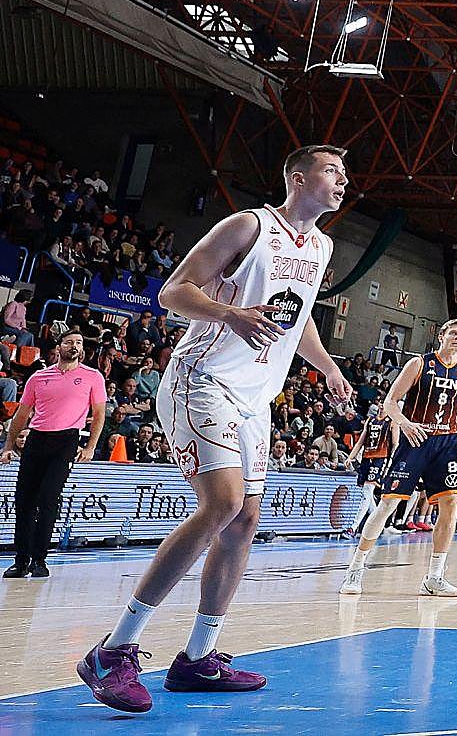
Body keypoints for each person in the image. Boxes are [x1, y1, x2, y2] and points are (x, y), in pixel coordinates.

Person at [77, 145, 350, 714]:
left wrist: (327, 367)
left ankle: (198, 658)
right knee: (222, 503)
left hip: (255, 397)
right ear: (298, 179)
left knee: (245, 520)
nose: (342, 180)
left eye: (344, 173)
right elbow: (173, 291)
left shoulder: (322, 246)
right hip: (202, 379)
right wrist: (228, 314)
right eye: (331, 170)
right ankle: (113, 650)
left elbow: (297, 318)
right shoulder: (250, 226)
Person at [340, 318, 457, 597]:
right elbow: (390, 402)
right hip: (416, 439)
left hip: (446, 441)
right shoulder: (419, 364)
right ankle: (356, 567)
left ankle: (434, 577)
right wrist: (404, 423)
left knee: (451, 503)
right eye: (452, 332)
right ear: (441, 336)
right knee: (387, 504)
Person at [1, 330, 106, 577]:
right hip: (37, 438)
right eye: (69, 342)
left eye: (79, 342)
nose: (74, 346)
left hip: (66, 440)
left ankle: (39, 559)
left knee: (48, 499)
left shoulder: (92, 376)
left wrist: (90, 447)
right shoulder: (39, 377)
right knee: (24, 501)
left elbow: (99, 414)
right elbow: (22, 414)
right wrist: (8, 446)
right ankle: (21, 560)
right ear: (59, 347)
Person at [349, 404, 393, 535]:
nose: (382, 405)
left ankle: (353, 527)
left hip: (380, 458)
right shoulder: (371, 420)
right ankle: (380, 524)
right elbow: (361, 441)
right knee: (367, 493)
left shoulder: (391, 422)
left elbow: (395, 444)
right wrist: (350, 457)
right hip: (366, 457)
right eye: (380, 402)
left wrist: (390, 462)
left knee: (367, 490)